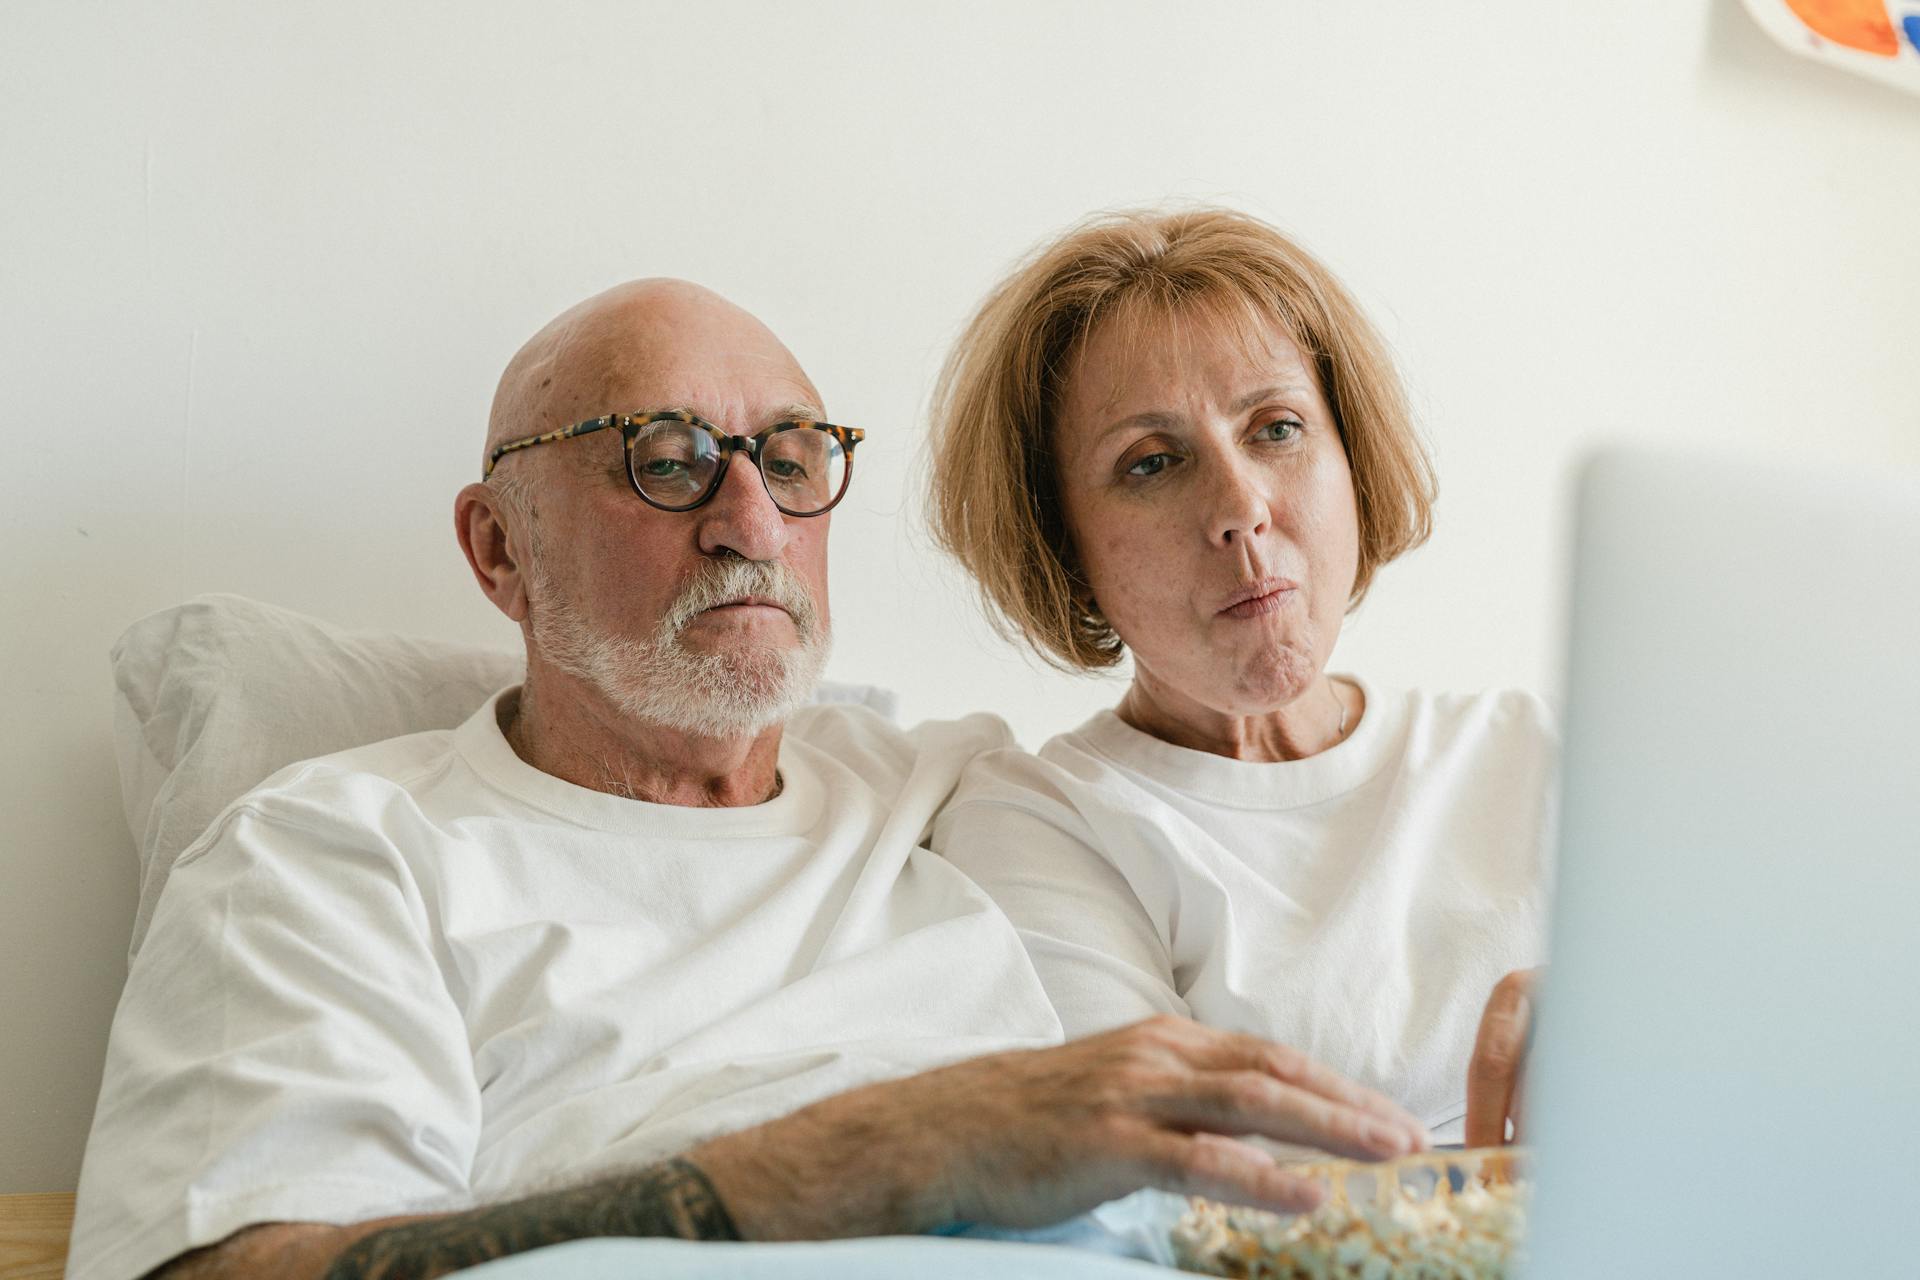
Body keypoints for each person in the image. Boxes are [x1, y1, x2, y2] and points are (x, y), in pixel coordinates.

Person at [66, 278, 1430, 1280]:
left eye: (791, 458)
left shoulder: (967, 799)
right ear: (500, 554)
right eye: (664, 463)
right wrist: (847, 1162)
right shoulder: (330, 855)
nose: (752, 523)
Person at [926, 207, 1554, 1150]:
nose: (1240, 507)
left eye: (1278, 428)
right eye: (1151, 463)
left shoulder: (1536, 752)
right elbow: (1169, 1194)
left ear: (1353, 459)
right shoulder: (1043, 821)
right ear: (1064, 545)